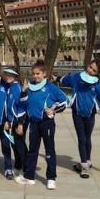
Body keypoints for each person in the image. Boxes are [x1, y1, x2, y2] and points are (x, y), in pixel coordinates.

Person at [56, 59, 100, 178]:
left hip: (90, 115)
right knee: (81, 138)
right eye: (90, 67)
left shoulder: (98, 84)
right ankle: (84, 167)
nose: (90, 71)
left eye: (94, 70)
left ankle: (87, 161)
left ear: (97, 73)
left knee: (87, 138)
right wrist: (57, 78)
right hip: (77, 113)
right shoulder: (77, 77)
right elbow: (66, 80)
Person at [15, 60, 68, 189]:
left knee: (49, 150)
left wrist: (53, 109)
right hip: (33, 123)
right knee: (33, 151)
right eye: (33, 74)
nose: (35, 76)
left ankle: (51, 178)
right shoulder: (29, 86)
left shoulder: (51, 87)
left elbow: (65, 101)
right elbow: (22, 104)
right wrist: (23, 91)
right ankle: (29, 177)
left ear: (44, 73)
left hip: (47, 123)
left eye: (38, 73)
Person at [3, 67, 26, 173]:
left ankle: (27, 168)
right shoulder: (10, 87)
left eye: (10, 75)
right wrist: (8, 120)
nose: (7, 76)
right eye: (6, 74)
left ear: (15, 76)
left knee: (20, 145)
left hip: (18, 120)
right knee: (14, 144)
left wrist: (20, 123)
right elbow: (9, 107)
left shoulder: (17, 87)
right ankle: (18, 165)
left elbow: (21, 106)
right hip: (12, 120)